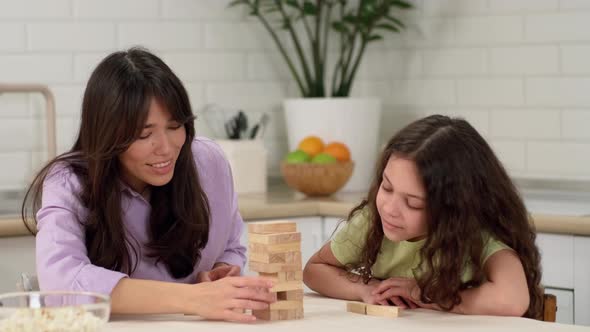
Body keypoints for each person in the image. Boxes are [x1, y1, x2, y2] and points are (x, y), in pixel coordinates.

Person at [22, 47, 275, 322]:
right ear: (107, 135)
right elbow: (61, 285)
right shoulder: (69, 181)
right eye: (144, 134)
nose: (166, 148)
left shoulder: (208, 160)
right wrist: (191, 298)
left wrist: (221, 271)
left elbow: (230, 245)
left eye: (175, 126)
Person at [303, 115, 543, 319]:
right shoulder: (372, 221)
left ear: (453, 210)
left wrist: (424, 294)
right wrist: (367, 289)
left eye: (413, 203)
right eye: (386, 187)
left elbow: (513, 299)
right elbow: (315, 270)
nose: (390, 208)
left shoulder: (475, 235)